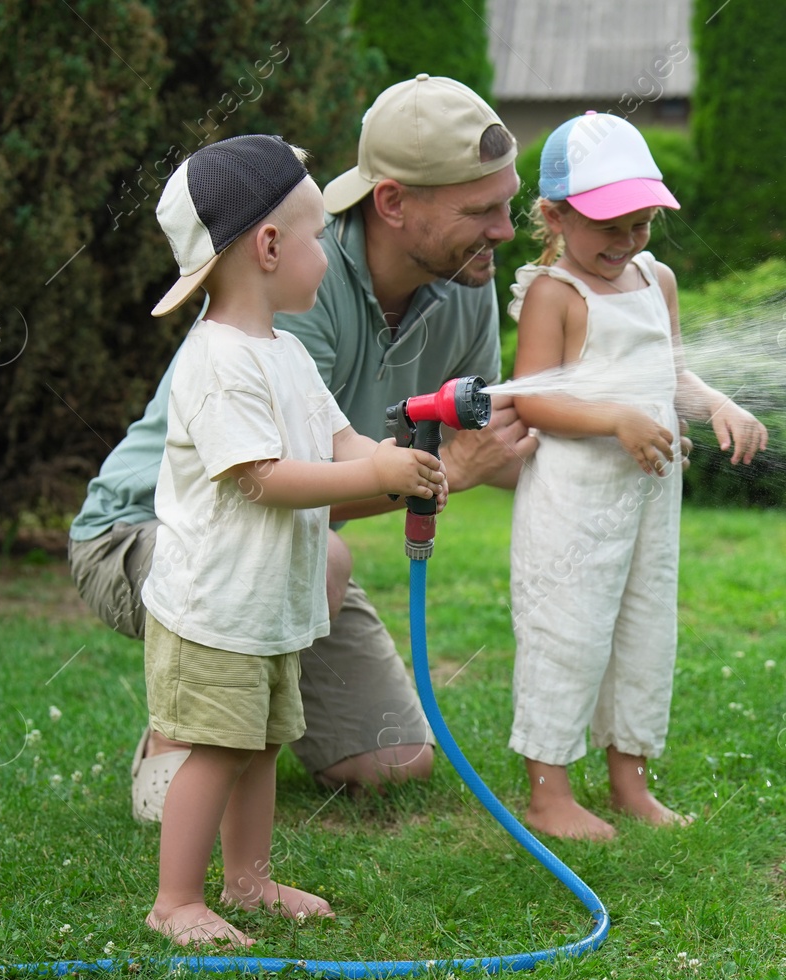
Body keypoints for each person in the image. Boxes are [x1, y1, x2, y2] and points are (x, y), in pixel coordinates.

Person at [67, 76, 534, 822]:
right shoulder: (283, 290)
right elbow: (269, 481)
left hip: (287, 547)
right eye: (481, 210)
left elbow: (482, 433)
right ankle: (178, 738)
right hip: (149, 535)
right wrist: (440, 472)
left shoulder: (466, 277)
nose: (505, 230)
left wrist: (596, 426)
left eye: (507, 202)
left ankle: (242, 741)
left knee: (393, 759)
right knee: (329, 559)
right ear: (393, 204)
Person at [136, 134, 447, 945]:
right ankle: (176, 899)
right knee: (215, 748)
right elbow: (263, 477)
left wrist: (394, 462)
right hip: (214, 609)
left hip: (268, 605)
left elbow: (339, 441)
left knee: (264, 744)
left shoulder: (284, 354)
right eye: (316, 237)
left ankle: (248, 880)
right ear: (270, 247)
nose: (327, 255)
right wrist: (374, 478)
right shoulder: (216, 360)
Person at [502, 113, 768, 840]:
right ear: (555, 216)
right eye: (608, 228)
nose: (624, 244)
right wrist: (616, 418)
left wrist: (716, 402)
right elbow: (531, 399)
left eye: (640, 225)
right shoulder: (555, 294)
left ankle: (630, 782)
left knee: (643, 629)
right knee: (570, 632)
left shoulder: (658, 280)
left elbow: (671, 375)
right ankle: (549, 792)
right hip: (573, 507)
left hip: (649, 497)